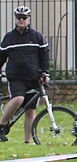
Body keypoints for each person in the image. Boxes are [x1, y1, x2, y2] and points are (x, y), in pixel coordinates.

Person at [0, 6, 49, 143]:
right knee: (18, 99)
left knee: (30, 110)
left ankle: (27, 142)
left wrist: (45, 73)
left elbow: (44, 56)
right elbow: (1, 57)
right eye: (19, 18)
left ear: (28, 19)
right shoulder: (9, 38)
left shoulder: (37, 37)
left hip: (34, 78)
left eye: (24, 18)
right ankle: (2, 125)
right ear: (16, 20)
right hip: (16, 77)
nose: (21, 20)